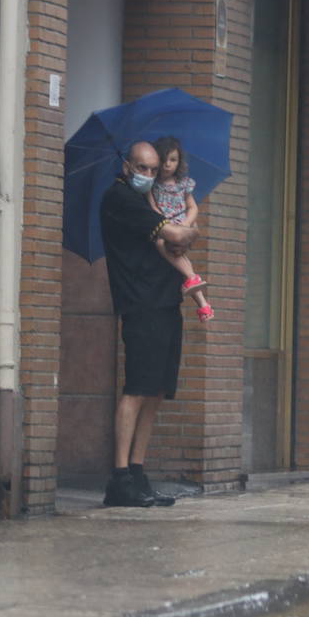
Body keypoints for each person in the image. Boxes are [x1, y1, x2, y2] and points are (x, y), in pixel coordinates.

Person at [98, 140, 204, 507]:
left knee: (157, 390)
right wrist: (186, 232)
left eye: (154, 170)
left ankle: (138, 472)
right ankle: (120, 478)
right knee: (137, 388)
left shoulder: (148, 200)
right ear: (127, 166)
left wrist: (180, 230)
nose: (149, 175)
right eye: (142, 168)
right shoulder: (121, 199)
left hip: (165, 301)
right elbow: (176, 235)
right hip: (140, 303)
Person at [148, 136, 214, 322]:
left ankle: (193, 281)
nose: (168, 165)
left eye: (173, 160)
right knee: (167, 247)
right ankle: (203, 304)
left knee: (172, 252)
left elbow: (193, 207)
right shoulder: (152, 185)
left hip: (183, 224)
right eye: (164, 160)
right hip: (165, 226)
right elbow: (152, 207)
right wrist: (166, 226)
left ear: (179, 161)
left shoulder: (183, 183)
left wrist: (185, 225)